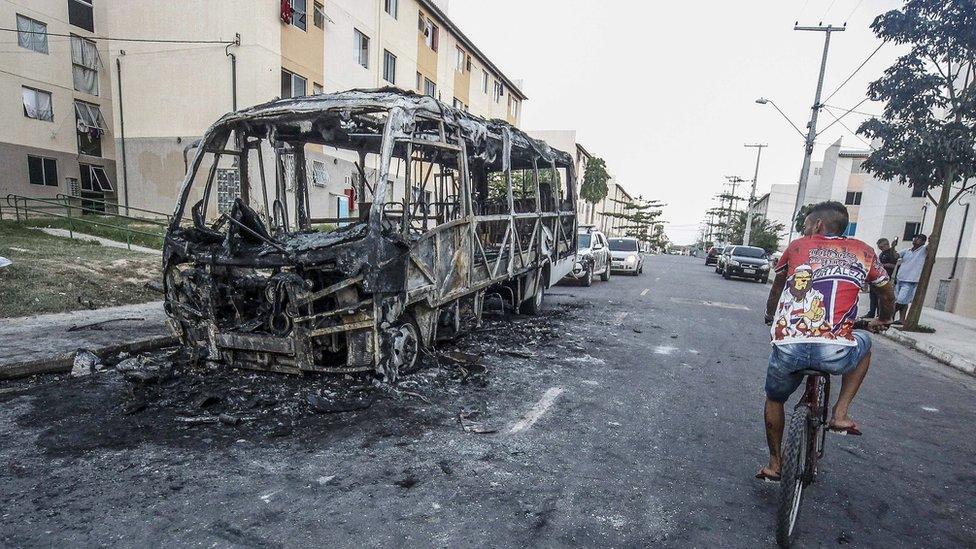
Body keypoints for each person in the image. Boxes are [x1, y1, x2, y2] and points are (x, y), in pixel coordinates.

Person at [757, 201, 894, 482]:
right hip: (834, 350)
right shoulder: (864, 251)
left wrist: (771, 316)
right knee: (864, 343)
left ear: (818, 225)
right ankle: (841, 413)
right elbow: (887, 291)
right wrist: (883, 319)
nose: (804, 230)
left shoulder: (797, 247)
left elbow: (778, 286)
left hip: (790, 347)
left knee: (774, 399)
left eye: (807, 225)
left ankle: (774, 464)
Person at [893, 234, 927, 324]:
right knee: (904, 301)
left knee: (900, 300)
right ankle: (902, 319)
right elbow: (895, 256)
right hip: (900, 279)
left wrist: (931, 239)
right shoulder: (906, 250)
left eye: (919, 239)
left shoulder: (923, 250)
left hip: (911, 280)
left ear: (923, 242)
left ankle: (889, 316)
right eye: (915, 237)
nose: (915, 239)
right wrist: (893, 247)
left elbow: (931, 247)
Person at [864, 238, 899, 318]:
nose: (881, 248)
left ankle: (880, 315)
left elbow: (894, 265)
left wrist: (883, 266)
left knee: (881, 297)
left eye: (882, 247)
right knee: (873, 297)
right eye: (879, 247)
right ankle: (871, 313)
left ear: (886, 245)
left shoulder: (892, 253)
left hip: (884, 279)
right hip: (876, 278)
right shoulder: (882, 254)